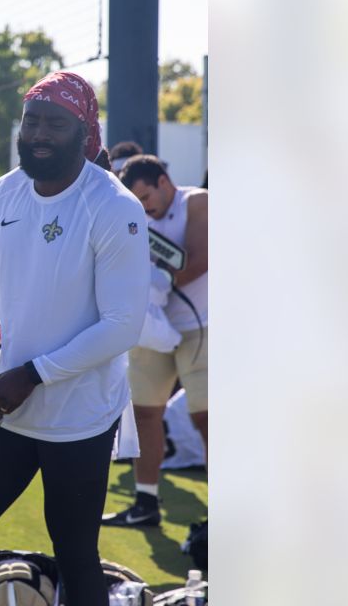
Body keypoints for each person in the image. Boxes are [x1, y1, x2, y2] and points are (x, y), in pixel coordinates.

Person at [0, 72, 149, 606]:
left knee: (74, 549)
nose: (40, 134)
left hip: (80, 415)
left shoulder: (114, 207)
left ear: (84, 131)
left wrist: (35, 373)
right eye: (32, 121)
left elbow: (123, 325)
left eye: (55, 123)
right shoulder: (4, 192)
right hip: (8, 406)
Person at [103, 154, 208, 528]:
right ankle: (145, 502)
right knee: (145, 413)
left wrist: (156, 280)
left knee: (206, 417)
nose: (144, 207)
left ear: (164, 181)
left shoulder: (197, 201)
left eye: (147, 197)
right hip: (152, 325)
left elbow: (198, 259)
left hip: (203, 324)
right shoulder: (136, 216)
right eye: (138, 201)